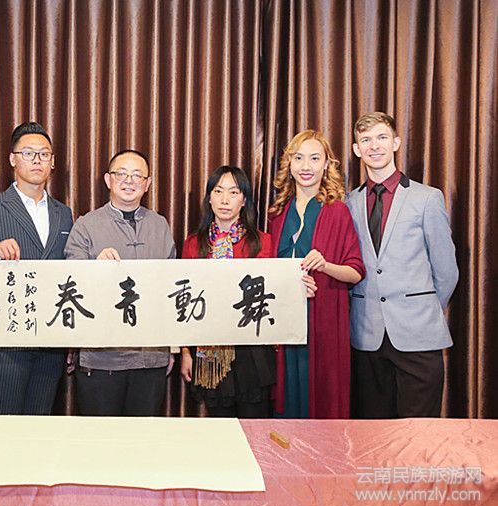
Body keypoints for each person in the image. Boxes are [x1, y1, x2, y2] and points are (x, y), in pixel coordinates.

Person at [347, 112, 458, 418]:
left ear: (396, 142)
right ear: (356, 149)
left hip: (418, 333)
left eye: (382, 137)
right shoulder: (348, 203)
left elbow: (446, 271)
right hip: (366, 336)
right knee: (374, 433)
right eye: (366, 140)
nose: (374, 146)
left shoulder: (427, 198)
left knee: (418, 433)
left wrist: (422, 307)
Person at [0, 122, 73, 415]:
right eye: (28, 153)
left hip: (52, 340)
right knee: (5, 425)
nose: (37, 160)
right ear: (13, 159)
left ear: (53, 162)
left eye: (44, 154)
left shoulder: (64, 213)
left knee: (40, 425)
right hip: (8, 339)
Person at [64, 149, 176, 416]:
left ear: (147, 184)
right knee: (101, 437)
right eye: (121, 174)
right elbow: (70, 282)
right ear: (108, 180)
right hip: (101, 359)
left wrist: (172, 347)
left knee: (143, 436)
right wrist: (95, 267)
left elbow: (171, 289)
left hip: (151, 357)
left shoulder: (160, 225)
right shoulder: (86, 225)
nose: (129, 181)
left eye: (137, 176)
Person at [268, 130, 365, 418]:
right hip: (285, 322)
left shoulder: (337, 212)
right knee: (287, 402)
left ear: (326, 164)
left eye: (314, 158)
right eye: (298, 158)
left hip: (323, 322)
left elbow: (355, 272)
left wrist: (325, 266)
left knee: (321, 403)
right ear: (289, 164)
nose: (306, 166)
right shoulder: (277, 214)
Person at [179, 165, 275, 418]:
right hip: (209, 349)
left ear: (244, 200)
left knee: (254, 428)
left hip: (251, 350)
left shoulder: (262, 242)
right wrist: (185, 351)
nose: (224, 200)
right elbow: (185, 302)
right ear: (209, 197)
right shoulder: (193, 243)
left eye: (233, 192)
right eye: (218, 191)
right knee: (220, 429)